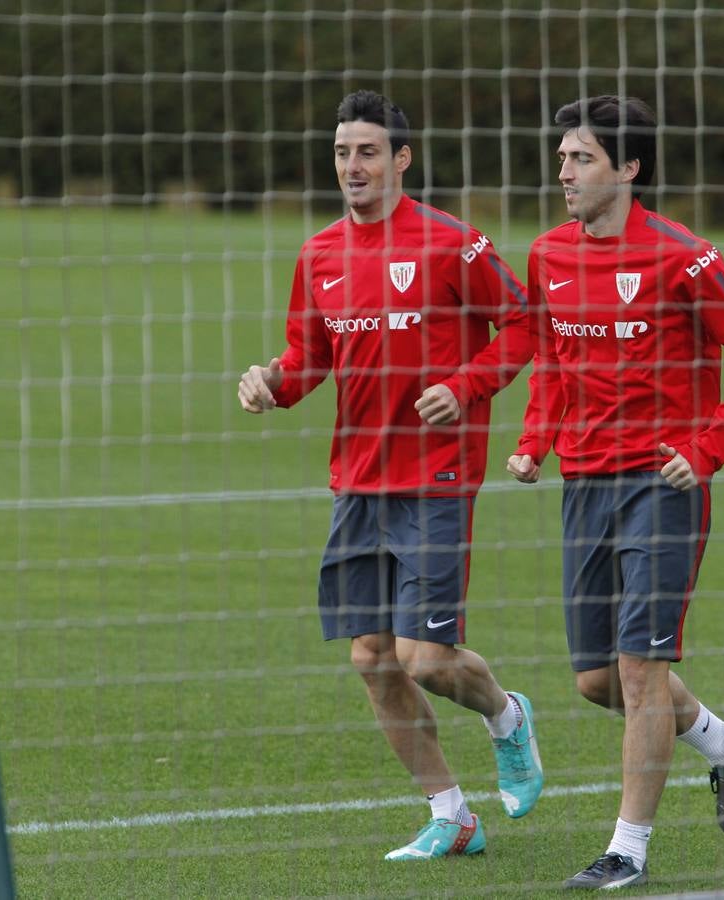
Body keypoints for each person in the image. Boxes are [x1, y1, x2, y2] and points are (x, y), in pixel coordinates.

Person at [238, 89, 542, 861]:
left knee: (427, 660)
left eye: (368, 151)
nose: (353, 166)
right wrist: (271, 382)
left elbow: (523, 326)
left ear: (401, 159)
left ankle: (507, 717)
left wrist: (465, 386)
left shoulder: (451, 244)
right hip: (358, 482)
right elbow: (309, 360)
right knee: (372, 658)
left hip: (436, 476)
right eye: (343, 153)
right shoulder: (319, 255)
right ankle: (451, 814)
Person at [506, 95, 724, 890]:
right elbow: (555, 362)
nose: (565, 172)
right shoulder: (549, 256)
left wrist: (707, 451)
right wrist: (533, 444)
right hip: (583, 484)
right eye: (562, 158)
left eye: (582, 158)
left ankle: (627, 849)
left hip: (661, 488)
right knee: (599, 680)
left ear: (629, 169)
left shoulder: (683, 257)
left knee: (639, 669)